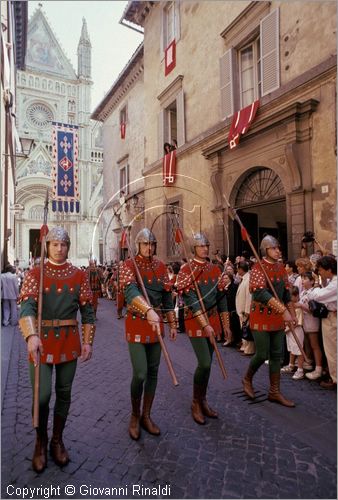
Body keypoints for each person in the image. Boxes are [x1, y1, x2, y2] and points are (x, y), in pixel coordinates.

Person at [18, 227, 95, 473]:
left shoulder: (78, 275)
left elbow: (88, 312)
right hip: (40, 342)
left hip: (68, 342)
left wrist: (88, 341)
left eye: (63, 245)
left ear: (68, 247)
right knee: (42, 396)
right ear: (47, 246)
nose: (59, 249)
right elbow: (27, 307)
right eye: (54, 244)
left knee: (64, 393)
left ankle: (57, 440)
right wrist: (31, 335)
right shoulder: (35, 273)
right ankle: (39, 442)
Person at [119, 228, 177, 440]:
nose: (149, 248)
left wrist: (172, 323)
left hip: (156, 326)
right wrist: (148, 310)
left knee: (153, 372)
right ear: (138, 245)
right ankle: (134, 415)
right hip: (137, 324)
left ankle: (146, 415)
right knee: (140, 373)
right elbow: (130, 292)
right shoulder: (128, 265)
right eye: (145, 244)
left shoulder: (160, 266)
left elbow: (167, 297)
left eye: (152, 244)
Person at [176, 232, 231, 425]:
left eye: (206, 245)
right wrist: (205, 324)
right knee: (205, 363)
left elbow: (221, 298)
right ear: (193, 249)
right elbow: (190, 301)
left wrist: (226, 325)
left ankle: (203, 400)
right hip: (196, 321)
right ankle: (194, 403)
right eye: (201, 246)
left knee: (207, 364)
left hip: (213, 319)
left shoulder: (215, 269)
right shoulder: (186, 270)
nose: (205, 248)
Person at [242, 235, 297, 407]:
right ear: (265, 250)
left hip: (278, 318)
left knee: (276, 355)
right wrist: (283, 311)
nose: (278, 251)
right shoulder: (258, 267)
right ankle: (247, 379)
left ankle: (274, 391)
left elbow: (286, 294)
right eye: (274, 248)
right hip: (261, 316)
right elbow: (259, 293)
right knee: (262, 353)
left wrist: (292, 313)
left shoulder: (281, 268)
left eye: (278, 248)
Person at [307, 256, 337, 389]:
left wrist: (316, 287)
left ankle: (335, 379)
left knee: (332, 350)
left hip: (332, 318)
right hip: (330, 316)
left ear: (329, 269)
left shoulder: (335, 284)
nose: (319, 272)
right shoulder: (331, 281)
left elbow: (317, 296)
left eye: (321, 269)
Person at [296, 272, 323, 380]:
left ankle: (319, 368)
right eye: (302, 278)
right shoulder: (303, 292)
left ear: (312, 281)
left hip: (312, 321)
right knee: (306, 343)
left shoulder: (315, 292)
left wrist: (300, 306)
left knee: (315, 345)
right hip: (304, 321)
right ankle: (309, 362)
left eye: (305, 278)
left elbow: (314, 310)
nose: (302, 280)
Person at [281, 286, 305, 379]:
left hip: (296, 331)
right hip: (290, 331)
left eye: (290, 297)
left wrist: (287, 328)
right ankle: (291, 365)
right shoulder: (290, 308)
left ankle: (300, 370)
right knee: (292, 349)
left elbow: (297, 323)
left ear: (296, 296)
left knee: (299, 351)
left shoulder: (298, 307)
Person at [235, 261, 255, 356]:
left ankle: (249, 349)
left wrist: (247, 310)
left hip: (245, 310)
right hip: (241, 309)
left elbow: (249, 295)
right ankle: (244, 346)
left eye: (237, 268)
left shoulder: (248, 279)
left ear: (240, 269)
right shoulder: (244, 279)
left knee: (247, 329)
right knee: (243, 329)